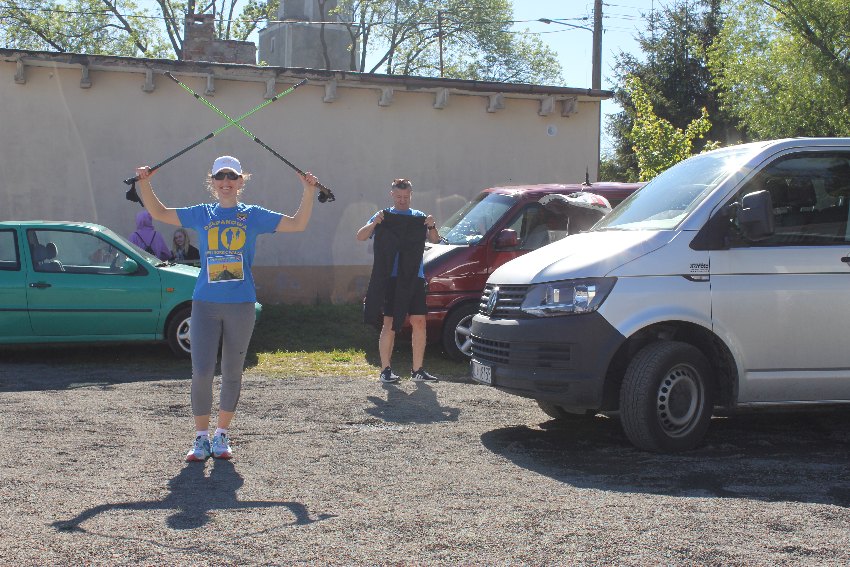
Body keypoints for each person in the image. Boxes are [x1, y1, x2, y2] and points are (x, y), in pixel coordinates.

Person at [134, 155, 319, 462]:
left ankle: (221, 435)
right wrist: (145, 183)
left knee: (232, 371)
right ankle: (201, 438)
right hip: (205, 303)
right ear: (212, 181)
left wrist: (308, 191)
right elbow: (159, 212)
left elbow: (298, 223)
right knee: (202, 371)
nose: (225, 182)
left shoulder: (252, 215)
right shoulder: (202, 213)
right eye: (220, 177)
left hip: (241, 303)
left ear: (241, 181)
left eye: (232, 176)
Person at [357, 178, 441, 384]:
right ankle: (385, 370)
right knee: (390, 322)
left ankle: (418, 370)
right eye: (399, 197)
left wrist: (432, 225)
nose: (402, 200)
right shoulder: (384, 215)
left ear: (411, 195)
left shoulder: (419, 217)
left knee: (419, 322)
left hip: (415, 276)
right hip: (391, 277)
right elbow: (360, 236)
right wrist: (374, 223)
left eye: (406, 197)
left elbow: (435, 240)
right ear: (392, 195)